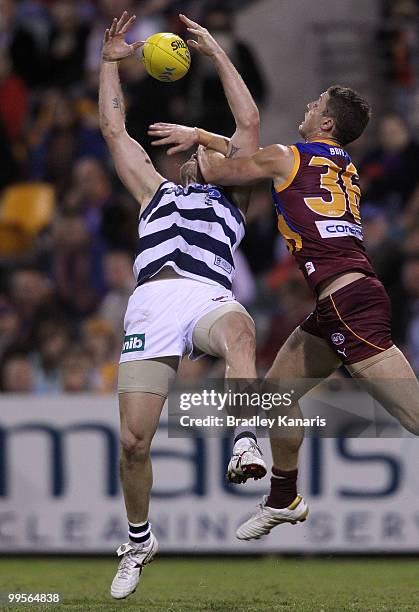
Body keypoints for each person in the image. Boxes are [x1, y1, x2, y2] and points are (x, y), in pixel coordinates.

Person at [197, 86, 419, 540]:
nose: (307, 106)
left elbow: (223, 170)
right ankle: (283, 499)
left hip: (347, 301)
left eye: (315, 104)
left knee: (415, 417)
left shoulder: (288, 156)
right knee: (276, 395)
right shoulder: (344, 166)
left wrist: (197, 142)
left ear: (327, 124)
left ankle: (282, 497)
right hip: (344, 298)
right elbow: (254, 160)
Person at [99, 11, 266, 600]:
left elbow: (248, 121)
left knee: (241, 332)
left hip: (205, 296)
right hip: (150, 305)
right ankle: (140, 539)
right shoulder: (155, 192)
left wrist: (217, 54)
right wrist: (109, 63)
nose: (186, 155)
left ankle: (245, 438)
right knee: (133, 442)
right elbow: (116, 133)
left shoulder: (233, 194)